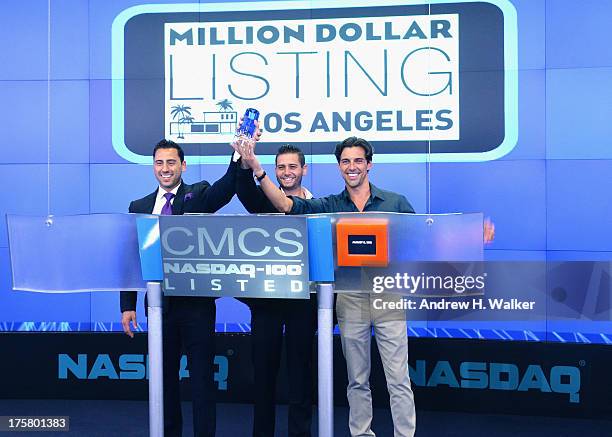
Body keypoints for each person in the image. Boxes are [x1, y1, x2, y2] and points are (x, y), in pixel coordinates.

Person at [237, 136, 418, 437]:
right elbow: (284, 204)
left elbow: (422, 239)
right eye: (345, 161)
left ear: (369, 164)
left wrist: (469, 236)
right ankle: (362, 434)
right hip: (349, 298)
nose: (352, 167)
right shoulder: (330, 205)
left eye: (358, 160)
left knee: (398, 378)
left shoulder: (395, 202)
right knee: (357, 378)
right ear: (339, 167)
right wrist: (257, 168)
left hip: (388, 296)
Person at [120, 139, 241, 437]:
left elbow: (226, 188)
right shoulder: (139, 207)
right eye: (159, 163)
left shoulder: (197, 194)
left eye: (171, 162)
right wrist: (127, 305)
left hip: (197, 306)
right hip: (159, 306)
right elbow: (131, 258)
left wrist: (239, 153)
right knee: (164, 381)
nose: (165, 168)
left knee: (201, 381)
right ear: (153, 167)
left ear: (182, 166)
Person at [236, 145, 316, 437]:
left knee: (301, 376)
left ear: (304, 170)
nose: (286, 173)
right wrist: (244, 158)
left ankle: (300, 433)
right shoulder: (262, 201)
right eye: (281, 167)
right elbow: (242, 186)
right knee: (264, 378)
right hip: (267, 303)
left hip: (303, 304)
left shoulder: (317, 207)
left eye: (292, 167)